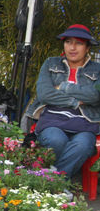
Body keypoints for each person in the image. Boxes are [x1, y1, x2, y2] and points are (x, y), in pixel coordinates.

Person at [26, 24, 100, 178]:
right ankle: (58, 184)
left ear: (87, 48)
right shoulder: (51, 63)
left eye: (79, 43)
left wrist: (64, 87)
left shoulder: (97, 69)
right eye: (68, 42)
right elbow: (45, 94)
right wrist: (76, 101)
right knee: (56, 141)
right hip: (52, 121)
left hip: (85, 124)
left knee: (83, 145)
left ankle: (49, 182)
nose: (72, 47)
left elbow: (95, 95)